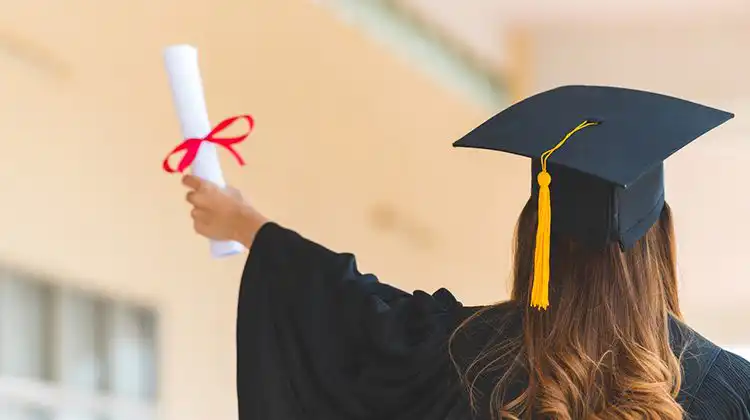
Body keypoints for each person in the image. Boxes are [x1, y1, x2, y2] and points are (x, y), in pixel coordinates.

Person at [182, 86, 750, 419]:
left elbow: (350, 314)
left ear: (536, 235)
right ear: (661, 237)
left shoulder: (458, 356)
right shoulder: (735, 392)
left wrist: (247, 225)